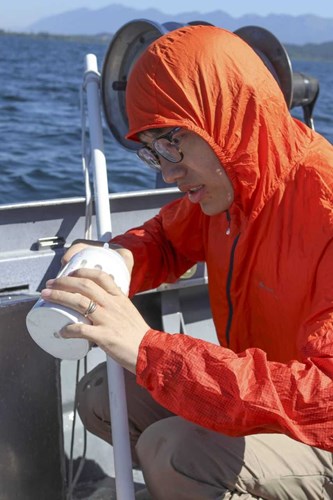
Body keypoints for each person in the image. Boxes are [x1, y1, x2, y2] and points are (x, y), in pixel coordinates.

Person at [41, 25, 333, 499]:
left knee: (173, 453)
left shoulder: (323, 203)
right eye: (153, 151)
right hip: (261, 400)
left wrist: (151, 351)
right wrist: (118, 257)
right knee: (102, 399)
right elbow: (166, 240)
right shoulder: (229, 188)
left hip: (321, 425)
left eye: (174, 142)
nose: (168, 171)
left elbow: (324, 399)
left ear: (228, 119)